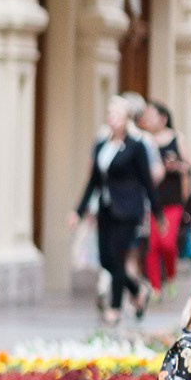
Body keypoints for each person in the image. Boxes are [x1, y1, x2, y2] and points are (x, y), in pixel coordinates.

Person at [77, 93, 161, 325]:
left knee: (118, 257)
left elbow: (147, 180)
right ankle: (137, 289)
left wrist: (158, 212)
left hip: (128, 210)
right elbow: (93, 181)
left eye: (116, 114)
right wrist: (79, 211)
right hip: (106, 209)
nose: (112, 118)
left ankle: (114, 308)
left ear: (126, 118)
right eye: (109, 114)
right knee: (106, 260)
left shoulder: (136, 146)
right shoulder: (102, 145)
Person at [142, 99, 188, 295]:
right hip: (152, 200)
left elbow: (188, 167)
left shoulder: (176, 138)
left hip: (173, 200)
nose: (148, 119)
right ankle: (155, 287)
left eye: (151, 115)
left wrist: (175, 166)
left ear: (163, 118)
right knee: (152, 245)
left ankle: (170, 276)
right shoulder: (145, 140)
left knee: (167, 243)